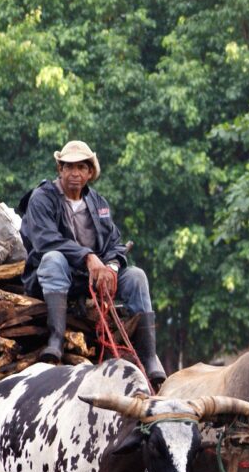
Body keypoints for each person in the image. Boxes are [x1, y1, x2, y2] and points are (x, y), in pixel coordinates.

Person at [16, 140, 165, 387]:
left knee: (137, 276)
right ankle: (55, 340)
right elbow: (45, 241)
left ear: (90, 173)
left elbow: (115, 244)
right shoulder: (41, 198)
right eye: (69, 167)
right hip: (54, 278)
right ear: (60, 170)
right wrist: (88, 257)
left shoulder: (99, 203)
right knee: (53, 258)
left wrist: (112, 268)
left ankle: (149, 357)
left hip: (91, 280)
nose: (75, 173)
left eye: (81, 167)